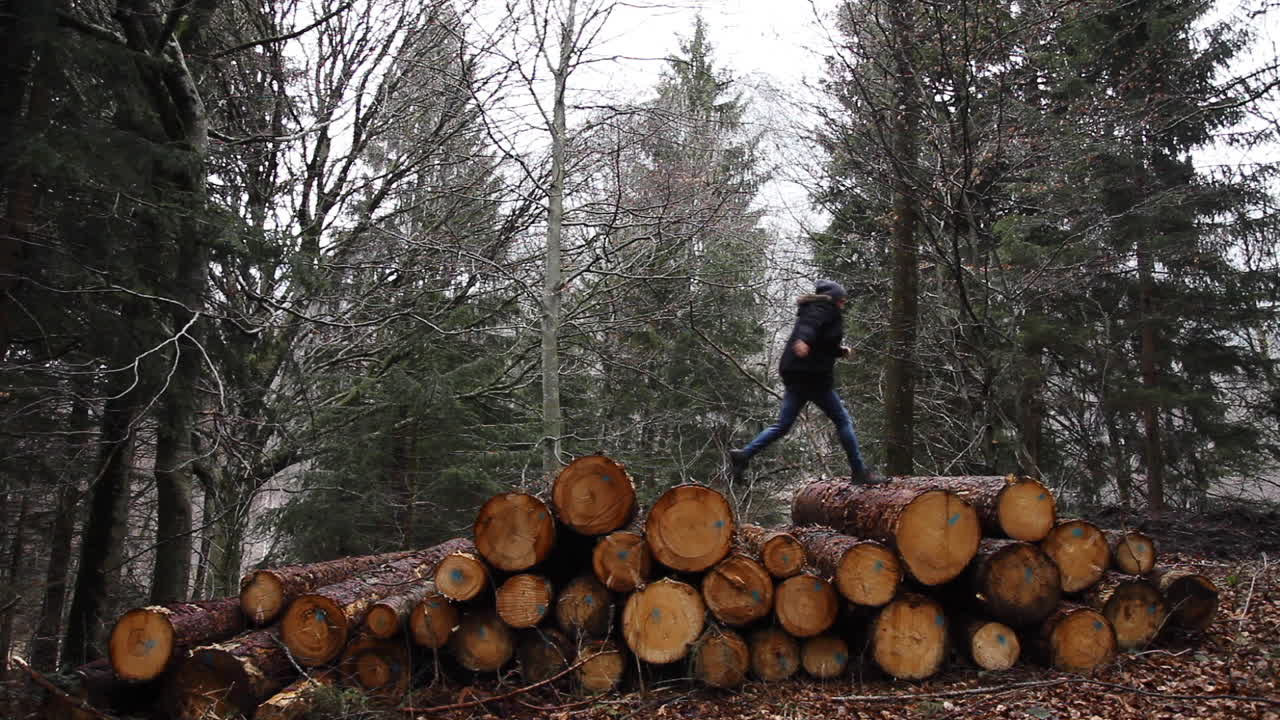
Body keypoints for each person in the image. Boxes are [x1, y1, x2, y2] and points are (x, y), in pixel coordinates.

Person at [730, 280, 884, 484]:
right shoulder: (823, 308)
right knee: (842, 420)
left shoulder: (813, 308)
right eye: (842, 299)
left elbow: (821, 341)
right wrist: (803, 340)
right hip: (813, 377)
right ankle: (859, 471)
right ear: (834, 298)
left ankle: (744, 455)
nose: (843, 303)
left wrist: (839, 351)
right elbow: (809, 327)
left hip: (796, 375)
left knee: (783, 425)